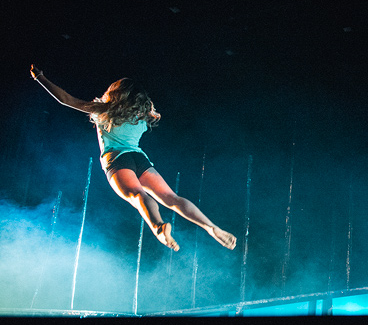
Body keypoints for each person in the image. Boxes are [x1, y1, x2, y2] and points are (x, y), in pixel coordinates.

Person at [30, 65, 236, 252]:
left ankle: (158, 226)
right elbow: (152, 115)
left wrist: (41, 78)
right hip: (140, 159)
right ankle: (211, 227)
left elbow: (66, 99)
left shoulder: (104, 110)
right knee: (171, 198)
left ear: (115, 94)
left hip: (117, 160)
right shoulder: (142, 117)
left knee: (137, 195)